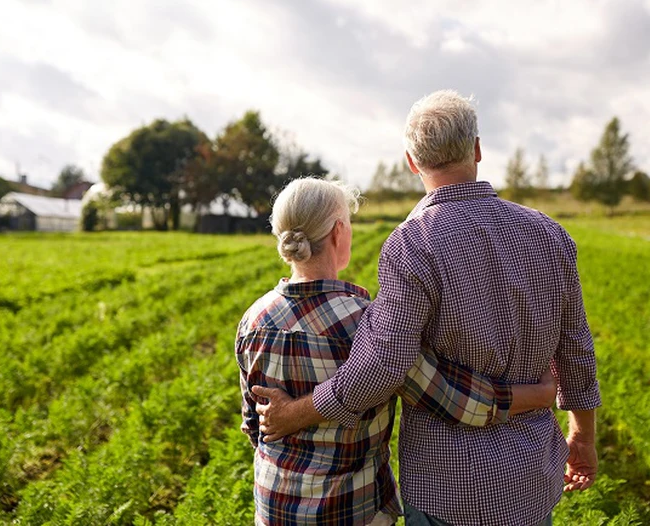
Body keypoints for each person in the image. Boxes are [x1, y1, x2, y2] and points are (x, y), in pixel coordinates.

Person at [255, 91, 601, 526]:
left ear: (411, 162)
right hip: (532, 477)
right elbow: (576, 351)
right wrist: (582, 436)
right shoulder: (549, 234)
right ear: (476, 149)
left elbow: (382, 366)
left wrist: (293, 413)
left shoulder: (412, 243)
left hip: (447, 485)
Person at [238, 176, 558, 525]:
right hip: (351, 510)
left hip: (273, 508)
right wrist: (535, 395)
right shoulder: (368, 322)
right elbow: (451, 397)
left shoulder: (253, 319)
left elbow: (254, 425)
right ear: (337, 233)